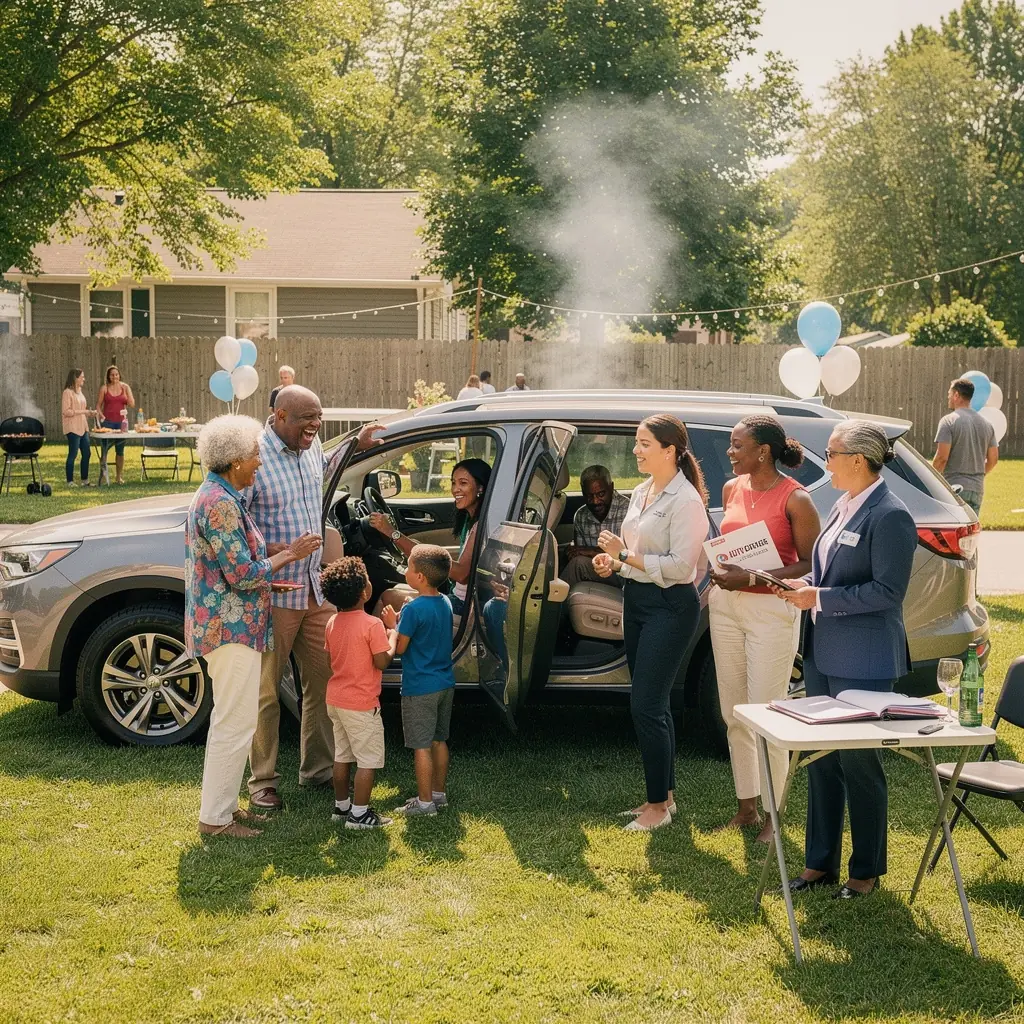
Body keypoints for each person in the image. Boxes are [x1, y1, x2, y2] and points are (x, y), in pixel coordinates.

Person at [772, 419, 917, 899]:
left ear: (858, 460)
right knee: (821, 761)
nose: (825, 461)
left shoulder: (890, 514)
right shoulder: (840, 504)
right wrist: (805, 587)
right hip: (823, 652)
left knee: (860, 766)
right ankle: (820, 863)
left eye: (831, 453)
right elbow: (827, 568)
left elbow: (888, 592)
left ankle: (866, 871)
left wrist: (820, 597)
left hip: (864, 658)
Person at [244, 384, 383, 811]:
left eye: (318, 417)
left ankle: (320, 770)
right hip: (276, 592)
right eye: (307, 417)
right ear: (279, 415)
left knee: (326, 682)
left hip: (315, 589)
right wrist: (279, 553)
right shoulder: (253, 457)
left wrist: (355, 444)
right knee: (266, 692)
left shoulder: (310, 446)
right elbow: (236, 523)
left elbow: (322, 465)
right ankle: (262, 782)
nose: (315, 425)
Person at [185, 414, 321, 838]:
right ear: (234, 460)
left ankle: (225, 808)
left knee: (237, 720)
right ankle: (215, 819)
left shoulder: (222, 495)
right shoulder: (221, 504)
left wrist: (272, 560)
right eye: (255, 455)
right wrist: (290, 555)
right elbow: (242, 574)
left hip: (233, 625)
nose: (260, 462)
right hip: (230, 631)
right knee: (233, 722)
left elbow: (240, 559)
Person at [593, 414, 710, 831]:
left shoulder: (687, 501)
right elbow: (637, 552)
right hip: (638, 600)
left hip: (670, 607)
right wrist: (616, 562)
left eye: (644, 444)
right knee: (654, 705)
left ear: (670, 450)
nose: (636, 450)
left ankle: (657, 808)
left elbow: (681, 568)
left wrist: (624, 556)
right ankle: (664, 798)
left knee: (644, 706)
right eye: (637, 443)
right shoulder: (643, 491)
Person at [708, 415, 821, 843]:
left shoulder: (797, 499)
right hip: (727, 608)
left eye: (737, 446)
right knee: (733, 711)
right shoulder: (731, 488)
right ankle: (747, 808)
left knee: (767, 711)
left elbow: (810, 563)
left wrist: (753, 578)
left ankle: (775, 816)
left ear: (763, 452)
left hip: (771, 612)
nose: (730, 453)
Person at [320, 556, 398, 830]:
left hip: (336, 699)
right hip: (362, 703)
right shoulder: (372, 625)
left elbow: (333, 659)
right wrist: (393, 634)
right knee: (368, 761)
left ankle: (342, 808)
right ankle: (360, 815)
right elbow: (382, 661)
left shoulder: (332, 622)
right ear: (365, 591)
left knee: (342, 755)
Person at [380, 544, 456, 817]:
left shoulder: (412, 610)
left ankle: (424, 804)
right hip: (445, 682)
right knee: (439, 740)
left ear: (420, 577)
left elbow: (400, 648)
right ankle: (439, 794)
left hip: (419, 687)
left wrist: (392, 625)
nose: (406, 570)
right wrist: (403, 618)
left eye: (409, 566)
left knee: (420, 745)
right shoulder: (444, 601)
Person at [371, 457, 491, 622]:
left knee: (388, 597)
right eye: (453, 483)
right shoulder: (469, 522)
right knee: (394, 592)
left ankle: (382, 646)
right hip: (456, 595)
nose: (456, 489)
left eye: (463, 483)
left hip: (461, 605)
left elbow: (462, 574)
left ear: (480, 488)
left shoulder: (479, 526)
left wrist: (393, 533)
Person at [932, 377, 998, 515]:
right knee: (970, 533)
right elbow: (993, 459)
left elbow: (941, 458)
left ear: (956, 395)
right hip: (977, 488)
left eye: (949, 393)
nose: (948, 397)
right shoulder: (987, 424)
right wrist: (978, 475)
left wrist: (931, 481)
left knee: (952, 533)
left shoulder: (948, 421)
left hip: (954, 488)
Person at [562, 465, 630, 586]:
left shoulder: (628, 511)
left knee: (578, 565)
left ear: (612, 487)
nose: (595, 501)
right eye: (589, 496)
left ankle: (552, 603)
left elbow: (630, 557)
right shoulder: (581, 516)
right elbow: (579, 554)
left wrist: (590, 551)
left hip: (626, 574)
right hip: (599, 571)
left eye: (601, 494)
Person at [96, 365, 135, 485]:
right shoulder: (104, 388)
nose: (115, 377)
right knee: (104, 450)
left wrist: (128, 394)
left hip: (121, 424)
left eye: (116, 374)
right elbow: (98, 405)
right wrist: (102, 416)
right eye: (112, 375)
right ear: (108, 376)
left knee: (120, 451)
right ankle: (103, 476)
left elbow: (132, 404)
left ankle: (118, 477)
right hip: (107, 424)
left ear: (119, 375)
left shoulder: (125, 387)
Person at [61, 368, 95, 487]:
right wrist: (83, 411)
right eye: (82, 377)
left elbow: (82, 410)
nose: (84, 379)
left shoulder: (80, 391)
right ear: (76, 378)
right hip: (72, 428)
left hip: (83, 427)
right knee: (73, 454)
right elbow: (66, 411)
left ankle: (85, 480)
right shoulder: (67, 392)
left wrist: (88, 413)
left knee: (87, 453)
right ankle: (70, 481)